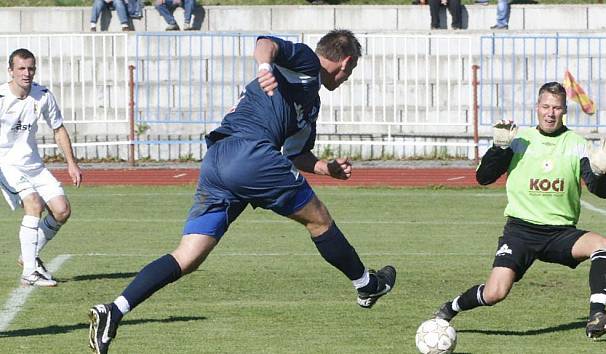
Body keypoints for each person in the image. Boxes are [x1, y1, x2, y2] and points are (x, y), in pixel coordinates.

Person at [88, 29, 396, 354]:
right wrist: (264, 68)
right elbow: (266, 45)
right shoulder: (306, 62)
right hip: (250, 156)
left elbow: (295, 154)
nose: (348, 78)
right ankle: (367, 285)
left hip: (217, 161)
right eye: (352, 70)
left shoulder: (309, 103)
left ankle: (115, 310)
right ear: (346, 62)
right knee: (319, 219)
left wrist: (325, 168)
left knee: (188, 255)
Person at [431, 82, 606, 340]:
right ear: (537, 108)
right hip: (520, 232)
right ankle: (450, 307)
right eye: (546, 106)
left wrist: (599, 173)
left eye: (556, 107)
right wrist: (498, 149)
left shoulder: (577, 144)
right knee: (494, 293)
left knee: (602, 244)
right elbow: (484, 178)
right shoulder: (519, 141)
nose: (550, 113)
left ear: (565, 110)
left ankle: (596, 316)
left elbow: (601, 191)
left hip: (560, 234)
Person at [0, 48, 82, 287]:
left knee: (61, 210)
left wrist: (71, 163)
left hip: (34, 165)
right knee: (34, 204)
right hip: (7, 164)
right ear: (11, 71)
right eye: (21, 69)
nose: (27, 73)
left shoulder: (43, 95)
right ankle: (29, 271)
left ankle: (28, 255)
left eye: (31, 68)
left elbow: (58, 129)